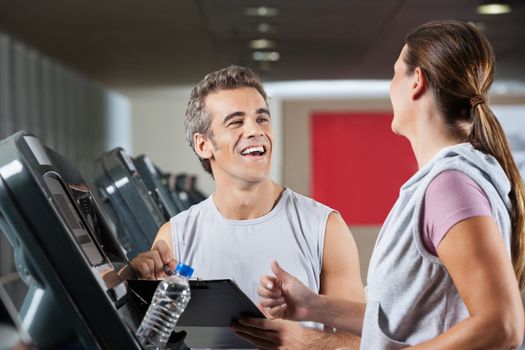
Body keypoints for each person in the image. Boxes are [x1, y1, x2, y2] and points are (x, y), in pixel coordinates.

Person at [258, 20, 525, 349]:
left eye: (395, 73)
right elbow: (404, 321)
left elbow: (502, 325)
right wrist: (312, 306)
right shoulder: (445, 181)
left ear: (417, 81)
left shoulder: (451, 185)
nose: (390, 87)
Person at [124, 66, 365, 349]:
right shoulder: (175, 236)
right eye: (235, 122)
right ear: (203, 144)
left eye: (262, 119)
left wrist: (309, 343)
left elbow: (364, 341)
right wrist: (136, 287)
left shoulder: (324, 227)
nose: (255, 130)